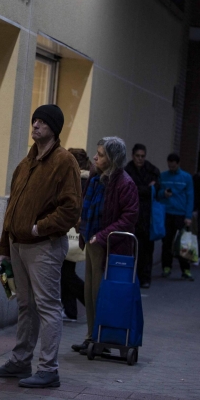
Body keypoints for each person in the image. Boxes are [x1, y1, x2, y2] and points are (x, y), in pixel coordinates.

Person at [0, 104, 81, 389]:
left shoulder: (64, 162)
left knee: (48, 306)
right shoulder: (26, 163)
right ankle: (20, 360)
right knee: (25, 305)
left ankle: (49, 369)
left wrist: (40, 227)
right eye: (34, 120)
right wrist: (4, 244)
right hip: (17, 245)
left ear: (54, 128)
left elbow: (71, 208)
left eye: (42, 121)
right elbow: (12, 208)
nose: (35, 125)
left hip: (44, 246)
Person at [71, 137, 139, 354]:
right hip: (92, 240)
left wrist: (101, 236)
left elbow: (128, 218)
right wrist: (80, 223)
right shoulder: (95, 177)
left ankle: (101, 338)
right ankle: (91, 336)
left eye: (100, 155)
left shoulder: (124, 183)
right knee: (90, 293)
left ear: (112, 159)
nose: (95, 157)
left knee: (101, 294)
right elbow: (87, 204)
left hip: (108, 246)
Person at [61, 148, 91, 321]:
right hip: (78, 231)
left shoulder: (76, 179)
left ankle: (90, 303)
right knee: (67, 271)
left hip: (70, 229)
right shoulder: (88, 179)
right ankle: (70, 311)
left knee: (66, 273)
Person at [124, 143, 160, 289]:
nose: (140, 159)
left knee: (147, 250)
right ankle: (133, 276)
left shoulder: (151, 170)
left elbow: (156, 188)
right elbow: (130, 189)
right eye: (138, 156)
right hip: (132, 215)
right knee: (131, 248)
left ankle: (145, 278)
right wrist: (147, 188)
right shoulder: (127, 170)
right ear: (133, 156)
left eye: (142, 156)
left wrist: (142, 189)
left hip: (147, 216)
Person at [157, 153, 195, 281]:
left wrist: (188, 216)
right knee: (166, 242)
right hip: (167, 213)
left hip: (181, 214)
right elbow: (158, 194)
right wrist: (163, 193)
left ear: (178, 164)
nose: (171, 168)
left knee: (184, 243)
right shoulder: (163, 176)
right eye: (169, 165)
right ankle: (166, 267)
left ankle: (186, 269)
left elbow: (190, 197)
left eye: (173, 166)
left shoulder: (186, 177)